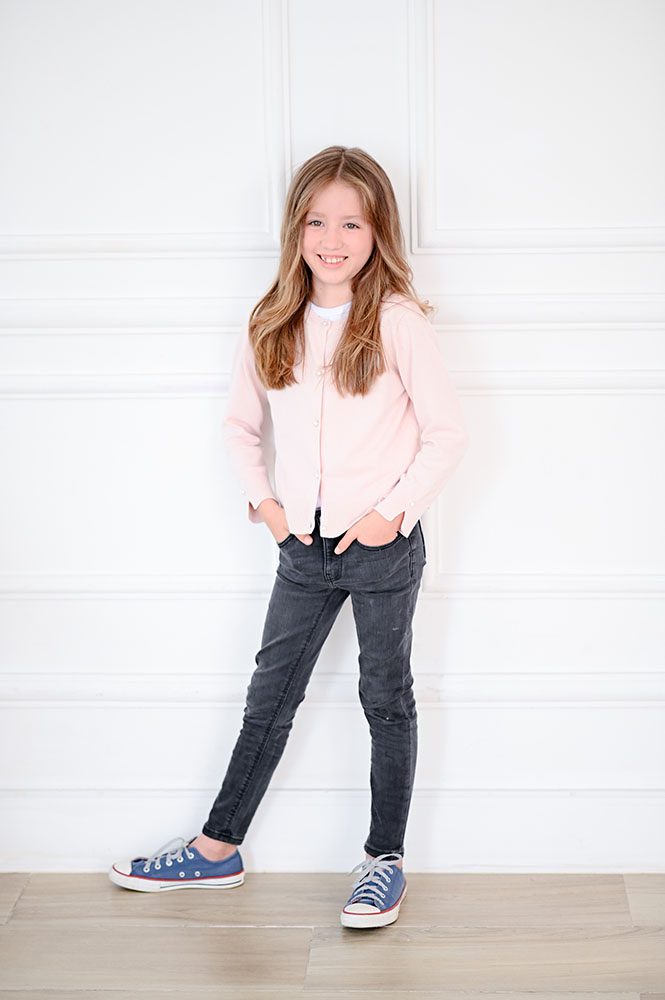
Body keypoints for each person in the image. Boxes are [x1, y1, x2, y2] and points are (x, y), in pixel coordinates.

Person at [109, 145, 469, 929]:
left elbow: (446, 434)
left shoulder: (397, 322)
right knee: (267, 699)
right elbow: (240, 428)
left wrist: (389, 514)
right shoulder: (270, 318)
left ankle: (383, 860)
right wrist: (268, 508)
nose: (331, 239)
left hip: (381, 548)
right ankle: (217, 849)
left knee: (385, 699)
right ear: (294, 228)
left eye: (351, 223)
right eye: (315, 221)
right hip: (301, 549)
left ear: (378, 232)